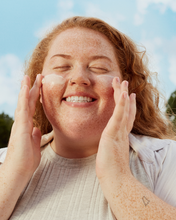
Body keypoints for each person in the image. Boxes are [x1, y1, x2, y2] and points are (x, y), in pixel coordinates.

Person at [0, 16, 176, 220]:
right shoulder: (5, 163)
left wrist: (118, 178)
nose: (79, 79)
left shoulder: (165, 159)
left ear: (125, 88)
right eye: (61, 67)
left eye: (99, 68)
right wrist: (12, 174)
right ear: (38, 88)